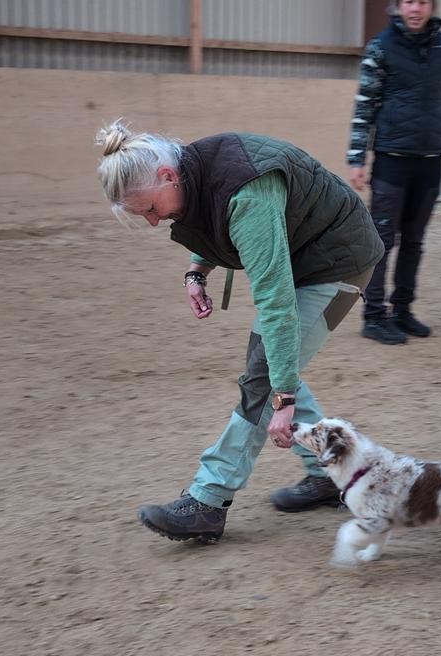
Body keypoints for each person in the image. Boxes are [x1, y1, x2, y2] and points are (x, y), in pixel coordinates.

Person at [94, 121, 384, 543]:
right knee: (268, 369)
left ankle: (207, 501)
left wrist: (283, 396)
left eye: (151, 209)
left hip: (337, 262)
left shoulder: (247, 189)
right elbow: (211, 213)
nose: (155, 222)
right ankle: (331, 472)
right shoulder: (193, 168)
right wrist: (197, 271)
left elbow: (275, 297)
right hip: (303, 256)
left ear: (166, 176)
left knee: (265, 378)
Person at [348, 0, 441, 345]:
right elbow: (365, 104)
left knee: (414, 241)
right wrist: (357, 157)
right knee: (382, 242)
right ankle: (374, 316)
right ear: (398, 7)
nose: (416, 9)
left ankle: (402, 310)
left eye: (423, 2)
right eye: (409, 2)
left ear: (431, 7)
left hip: (430, 160)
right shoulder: (381, 47)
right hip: (392, 160)